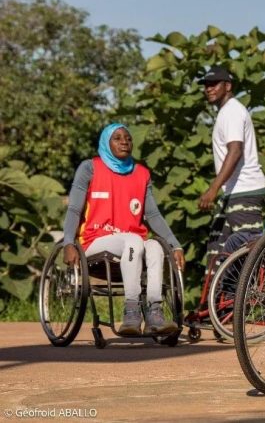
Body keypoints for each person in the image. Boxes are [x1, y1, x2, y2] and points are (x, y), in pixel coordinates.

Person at [61, 123, 184, 336]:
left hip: (131, 246)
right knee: (134, 241)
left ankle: (155, 312)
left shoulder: (142, 174)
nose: (124, 141)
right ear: (106, 143)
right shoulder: (90, 168)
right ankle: (131, 311)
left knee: (154, 246)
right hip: (94, 240)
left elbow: (153, 215)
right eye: (117, 138)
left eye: (127, 138)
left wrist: (175, 245)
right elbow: (73, 208)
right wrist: (68, 242)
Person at [198, 65, 265, 266]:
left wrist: (212, 189)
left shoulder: (232, 111)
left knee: (250, 252)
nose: (208, 89)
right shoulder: (226, 112)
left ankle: (257, 295)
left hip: (245, 190)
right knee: (217, 251)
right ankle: (220, 296)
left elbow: (235, 150)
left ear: (227, 85)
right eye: (206, 85)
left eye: (213, 84)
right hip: (234, 191)